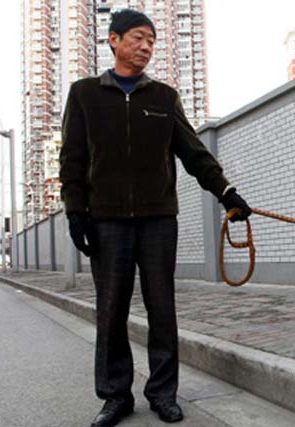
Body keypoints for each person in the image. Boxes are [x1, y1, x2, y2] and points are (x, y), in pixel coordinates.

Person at [59, 9, 251, 427]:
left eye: (152, 41)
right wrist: (76, 214)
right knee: (110, 310)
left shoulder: (164, 98)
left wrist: (226, 193)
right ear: (114, 39)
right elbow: (72, 159)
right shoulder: (85, 94)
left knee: (162, 309)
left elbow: (194, 153)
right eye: (138, 38)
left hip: (158, 221)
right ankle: (115, 396)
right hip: (106, 220)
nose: (146, 47)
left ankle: (163, 394)